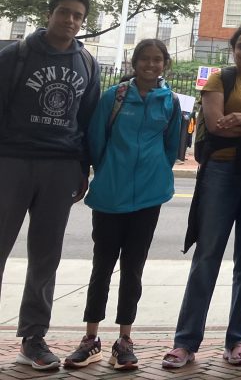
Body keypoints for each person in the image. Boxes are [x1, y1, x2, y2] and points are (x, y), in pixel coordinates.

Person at [162, 24, 241, 369]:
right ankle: (185, 341)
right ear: (234, 49)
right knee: (208, 255)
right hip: (222, 172)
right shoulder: (219, 80)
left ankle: (238, 339)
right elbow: (216, 126)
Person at [63, 38, 182, 370]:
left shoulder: (170, 101)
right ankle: (90, 339)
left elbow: (172, 147)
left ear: (165, 64)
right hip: (110, 194)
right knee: (102, 266)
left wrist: (154, 173)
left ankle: (124, 340)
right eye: (145, 59)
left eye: (157, 60)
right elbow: (96, 140)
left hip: (149, 196)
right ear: (134, 62)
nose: (151, 65)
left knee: (134, 268)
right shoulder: (113, 97)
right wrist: (109, 171)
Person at [0, 0, 100, 371]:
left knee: (46, 256)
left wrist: (83, 168)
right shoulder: (16, 55)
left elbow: (88, 121)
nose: (70, 20)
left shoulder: (87, 63)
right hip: (12, 161)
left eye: (77, 15)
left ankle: (33, 337)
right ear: (50, 13)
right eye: (64, 13)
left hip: (60, 167)